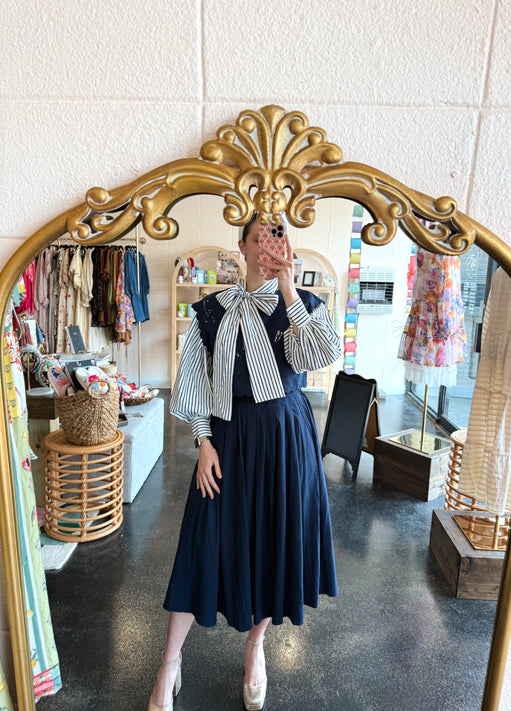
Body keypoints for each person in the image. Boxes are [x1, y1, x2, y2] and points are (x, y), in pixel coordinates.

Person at [148, 213, 342, 711]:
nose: (268, 247)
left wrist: (289, 289)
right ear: (242, 246)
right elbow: (194, 380)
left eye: (278, 238)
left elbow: (318, 355)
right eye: (259, 238)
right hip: (227, 439)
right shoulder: (212, 310)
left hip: (285, 439)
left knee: (273, 540)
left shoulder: (303, 304)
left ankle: (256, 647)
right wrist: (203, 442)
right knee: (202, 541)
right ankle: (169, 662)